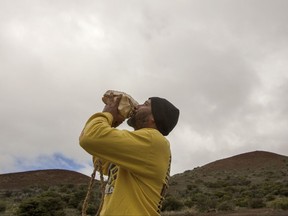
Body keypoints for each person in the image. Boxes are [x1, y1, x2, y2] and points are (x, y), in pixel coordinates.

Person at [79, 93, 179, 216]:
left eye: (145, 104)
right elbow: (103, 165)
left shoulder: (153, 140)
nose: (137, 106)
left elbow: (89, 138)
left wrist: (108, 114)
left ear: (154, 118)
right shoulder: (139, 149)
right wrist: (112, 124)